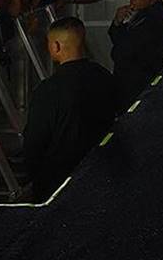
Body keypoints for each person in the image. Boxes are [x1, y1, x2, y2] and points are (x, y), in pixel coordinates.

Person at [22, 17, 116, 202]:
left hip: (58, 183)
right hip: (102, 174)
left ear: (56, 46)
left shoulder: (48, 90)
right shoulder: (103, 76)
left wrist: (35, 180)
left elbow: (34, 142)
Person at [108, 0, 163, 109]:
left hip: (139, 85)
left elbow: (122, 52)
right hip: (128, 81)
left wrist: (118, 48)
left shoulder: (154, 19)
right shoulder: (142, 12)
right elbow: (118, 39)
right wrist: (117, 22)